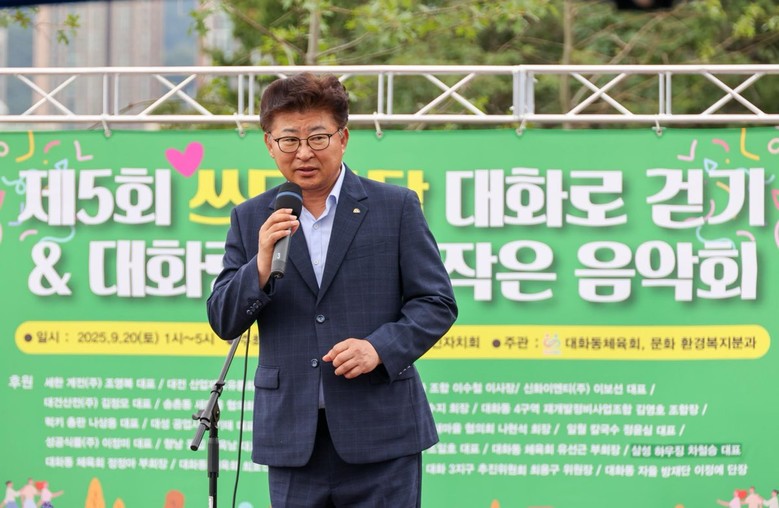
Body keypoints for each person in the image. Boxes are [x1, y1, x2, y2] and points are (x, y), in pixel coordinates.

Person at [206, 72, 457, 507]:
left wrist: (379, 348)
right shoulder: (251, 218)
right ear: (269, 144)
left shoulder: (395, 207)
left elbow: (436, 302)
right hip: (292, 440)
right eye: (289, 140)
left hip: (381, 434)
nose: (303, 152)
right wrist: (260, 266)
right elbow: (223, 320)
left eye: (317, 137)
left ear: (343, 137)